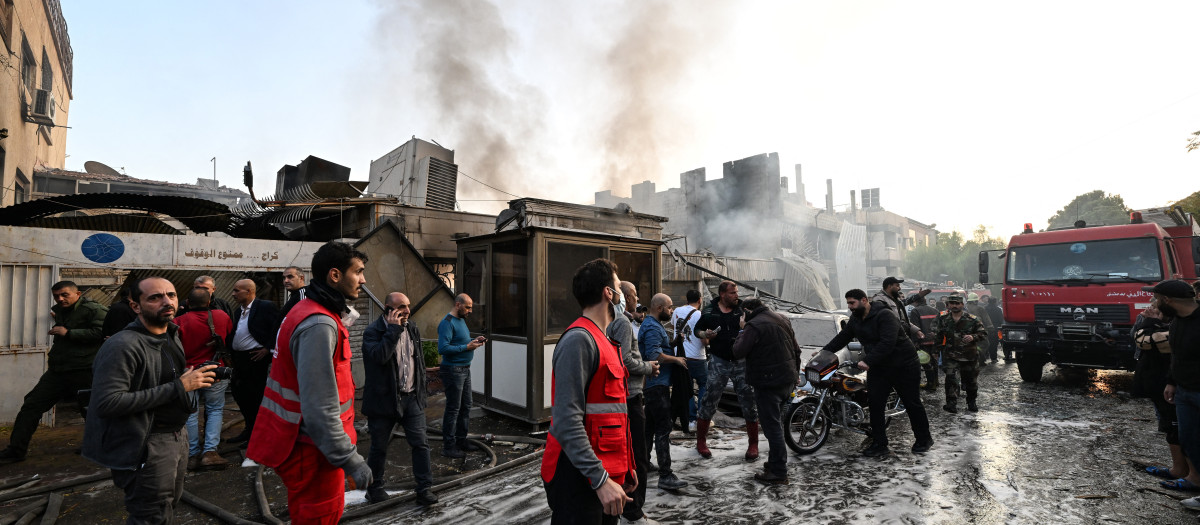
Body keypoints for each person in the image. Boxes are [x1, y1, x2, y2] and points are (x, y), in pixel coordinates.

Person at [246, 241, 372, 524]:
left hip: (307, 445)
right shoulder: (318, 324)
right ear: (335, 275)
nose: (363, 280)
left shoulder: (306, 309)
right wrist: (350, 459)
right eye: (359, 272)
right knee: (319, 517)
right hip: (313, 451)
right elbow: (320, 407)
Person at [81, 277, 216, 523]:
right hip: (146, 443)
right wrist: (179, 386)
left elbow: (164, 379)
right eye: (155, 297)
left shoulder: (171, 334)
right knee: (150, 515)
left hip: (176, 436)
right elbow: (107, 402)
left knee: (166, 506)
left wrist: (187, 381)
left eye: (171, 295)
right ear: (135, 306)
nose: (167, 302)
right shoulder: (122, 345)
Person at [541, 258, 637, 524]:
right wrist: (601, 479)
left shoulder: (602, 339)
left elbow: (612, 413)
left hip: (601, 473)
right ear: (609, 293)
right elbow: (566, 421)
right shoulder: (579, 340)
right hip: (579, 477)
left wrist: (625, 467)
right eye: (618, 287)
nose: (624, 296)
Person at [0, 280, 108, 464]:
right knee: (31, 405)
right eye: (57, 296)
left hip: (84, 370)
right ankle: (16, 450)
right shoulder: (60, 310)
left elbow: (103, 333)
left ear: (77, 294)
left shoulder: (94, 310)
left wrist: (69, 333)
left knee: (91, 411)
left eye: (65, 294)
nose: (60, 298)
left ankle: (98, 448)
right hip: (59, 370)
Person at [819, 289, 932, 457]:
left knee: (911, 402)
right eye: (848, 303)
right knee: (875, 404)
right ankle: (880, 444)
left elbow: (888, 342)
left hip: (903, 364)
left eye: (852, 303)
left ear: (864, 300)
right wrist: (825, 352)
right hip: (879, 366)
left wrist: (867, 361)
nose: (850, 307)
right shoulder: (856, 319)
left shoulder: (884, 315)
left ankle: (924, 439)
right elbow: (843, 337)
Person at [361, 292, 438, 506]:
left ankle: (424, 489)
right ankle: (374, 489)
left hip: (411, 398)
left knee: (421, 445)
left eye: (408, 306)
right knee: (379, 447)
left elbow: (417, 360)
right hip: (383, 402)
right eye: (402, 307)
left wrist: (422, 390)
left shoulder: (412, 328)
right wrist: (393, 330)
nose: (407, 311)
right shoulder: (372, 332)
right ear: (388, 308)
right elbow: (379, 357)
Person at [731, 298, 802, 485]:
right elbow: (797, 350)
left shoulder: (753, 325)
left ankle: (778, 472)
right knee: (776, 424)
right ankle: (774, 463)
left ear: (746, 311)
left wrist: (741, 328)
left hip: (768, 383)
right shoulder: (782, 318)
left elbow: (738, 351)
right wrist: (795, 374)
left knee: (773, 428)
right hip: (787, 380)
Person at [605, 282, 659, 524]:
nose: (638, 299)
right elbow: (624, 360)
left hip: (621, 398)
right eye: (635, 295)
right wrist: (649, 366)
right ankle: (634, 513)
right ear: (625, 297)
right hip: (629, 398)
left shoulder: (613, 322)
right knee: (638, 458)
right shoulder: (623, 324)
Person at [1145, 280, 1200, 506]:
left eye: (1157, 298)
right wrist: (1171, 382)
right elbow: (1176, 356)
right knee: (1190, 441)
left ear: (1167, 300)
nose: (1156, 303)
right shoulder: (1177, 322)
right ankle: (1196, 483)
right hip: (1184, 392)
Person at [694, 281, 758, 461]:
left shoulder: (744, 310)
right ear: (722, 294)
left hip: (741, 361)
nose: (736, 295)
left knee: (749, 401)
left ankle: (753, 444)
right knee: (709, 400)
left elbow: (758, 326)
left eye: (737, 292)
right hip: (719, 360)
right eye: (732, 293)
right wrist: (705, 335)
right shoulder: (709, 311)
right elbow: (696, 330)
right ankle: (701, 442)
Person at [173, 289, 233, 471]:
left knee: (190, 412)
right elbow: (229, 337)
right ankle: (210, 452)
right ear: (209, 302)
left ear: (188, 303)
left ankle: (191, 454)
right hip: (215, 371)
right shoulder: (222, 316)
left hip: (188, 372)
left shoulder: (178, 321)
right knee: (215, 409)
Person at [1132, 300, 1190, 485]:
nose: (1149, 310)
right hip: (1158, 382)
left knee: (1176, 427)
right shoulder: (1159, 323)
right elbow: (1135, 336)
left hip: (1168, 382)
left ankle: (1183, 471)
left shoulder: (1177, 326)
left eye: (1155, 307)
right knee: (1169, 425)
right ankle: (1181, 469)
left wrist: (1149, 323)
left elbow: (1147, 342)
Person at [640, 293, 689, 491]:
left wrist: (675, 342)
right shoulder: (651, 326)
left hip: (656, 385)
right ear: (659, 308)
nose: (671, 311)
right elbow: (653, 355)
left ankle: (643, 463)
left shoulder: (655, 325)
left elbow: (661, 347)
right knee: (663, 429)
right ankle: (665, 475)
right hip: (656, 385)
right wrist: (676, 359)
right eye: (669, 308)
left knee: (649, 429)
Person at [226, 279, 281, 445]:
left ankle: (258, 436)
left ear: (249, 291)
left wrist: (267, 349)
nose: (233, 294)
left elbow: (278, 328)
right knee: (239, 393)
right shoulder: (238, 311)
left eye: (237, 291)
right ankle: (249, 429)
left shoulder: (265, 306)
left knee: (255, 397)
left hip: (255, 359)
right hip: (240, 359)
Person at [437, 293, 486, 458]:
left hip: (464, 369)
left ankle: (461, 440)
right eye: (468, 307)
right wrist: (466, 347)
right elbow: (443, 349)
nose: (470, 311)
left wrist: (474, 340)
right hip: (453, 370)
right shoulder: (447, 323)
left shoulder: (461, 321)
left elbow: (461, 342)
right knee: (453, 409)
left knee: (466, 406)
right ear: (458, 305)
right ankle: (449, 447)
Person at [935, 295, 989, 413]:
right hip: (950, 355)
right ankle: (951, 404)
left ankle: (971, 402)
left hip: (969, 355)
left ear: (962, 305)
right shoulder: (943, 318)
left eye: (957, 303)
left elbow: (983, 333)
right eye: (952, 303)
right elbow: (938, 335)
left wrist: (973, 336)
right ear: (948, 305)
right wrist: (936, 352)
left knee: (971, 381)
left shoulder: (972, 319)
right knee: (951, 380)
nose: (954, 305)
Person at [671, 290, 707, 432]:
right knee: (704, 384)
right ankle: (702, 417)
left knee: (687, 388)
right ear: (699, 300)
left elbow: (674, 327)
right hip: (698, 357)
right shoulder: (700, 315)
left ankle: (691, 420)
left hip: (680, 357)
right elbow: (704, 341)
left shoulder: (677, 311)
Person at [870, 277, 928, 345]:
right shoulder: (879, 299)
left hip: (899, 336)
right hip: (889, 338)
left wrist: (916, 331)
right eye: (897, 286)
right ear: (890, 286)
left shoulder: (896, 300)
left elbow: (902, 319)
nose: (899, 288)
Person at [910, 294, 941, 391]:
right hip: (935, 340)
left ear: (915, 302)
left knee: (926, 363)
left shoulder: (915, 311)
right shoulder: (935, 310)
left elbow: (915, 328)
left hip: (923, 341)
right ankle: (936, 382)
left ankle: (931, 385)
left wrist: (915, 342)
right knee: (934, 361)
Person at [965, 293, 996, 365]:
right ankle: (980, 360)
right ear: (975, 301)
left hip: (967, 331)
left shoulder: (964, 308)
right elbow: (986, 319)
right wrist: (991, 329)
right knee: (984, 344)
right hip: (979, 331)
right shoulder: (980, 308)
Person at [983, 295, 1007, 362]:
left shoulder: (984, 309)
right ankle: (1005, 356)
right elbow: (1001, 319)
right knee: (999, 342)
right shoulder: (998, 309)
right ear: (995, 301)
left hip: (988, 328)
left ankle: (991, 357)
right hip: (997, 328)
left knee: (990, 343)